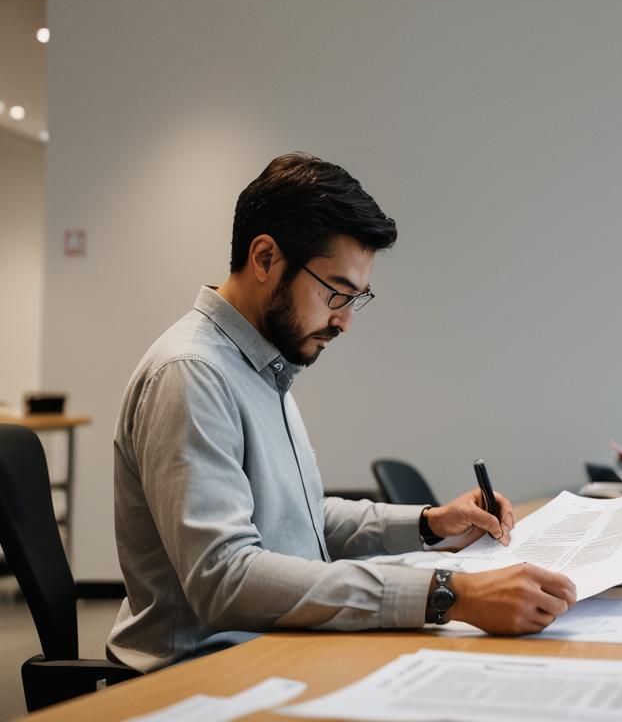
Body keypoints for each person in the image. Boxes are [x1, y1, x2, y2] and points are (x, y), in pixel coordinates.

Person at [108, 153, 576, 672]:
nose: (345, 322)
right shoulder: (192, 373)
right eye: (336, 292)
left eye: (358, 298)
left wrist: (428, 524)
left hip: (278, 652)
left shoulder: (262, 365)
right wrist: (448, 592)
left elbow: (297, 519)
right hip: (201, 679)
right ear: (265, 259)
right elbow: (226, 579)